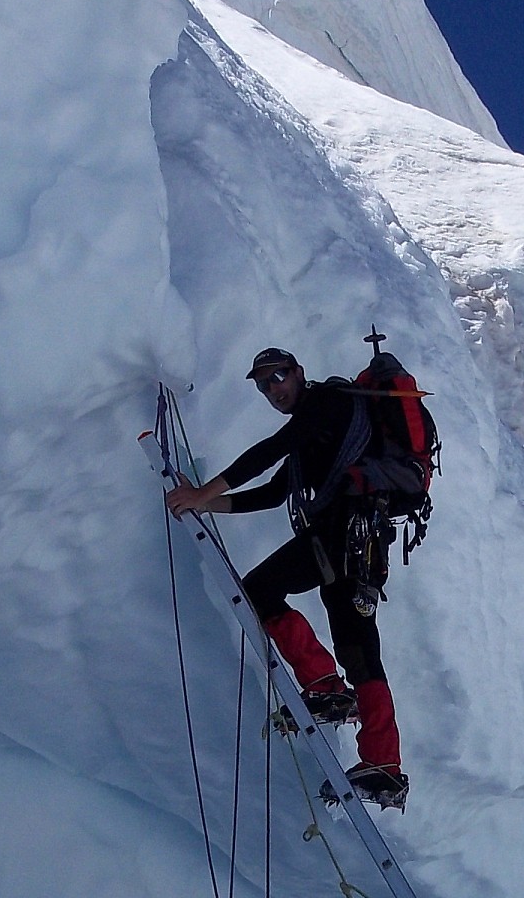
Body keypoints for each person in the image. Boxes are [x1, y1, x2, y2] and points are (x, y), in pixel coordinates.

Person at [166, 347, 409, 809]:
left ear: (299, 372)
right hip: (350, 542)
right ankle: (380, 760)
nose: (273, 389)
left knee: (265, 593)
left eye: (278, 376)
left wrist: (202, 492)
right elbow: (274, 493)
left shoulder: (327, 403)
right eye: (264, 384)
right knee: (357, 648)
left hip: (347, 535)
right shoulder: (311, 434)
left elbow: (269, 451)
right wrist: (204, 504)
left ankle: (333, 696)